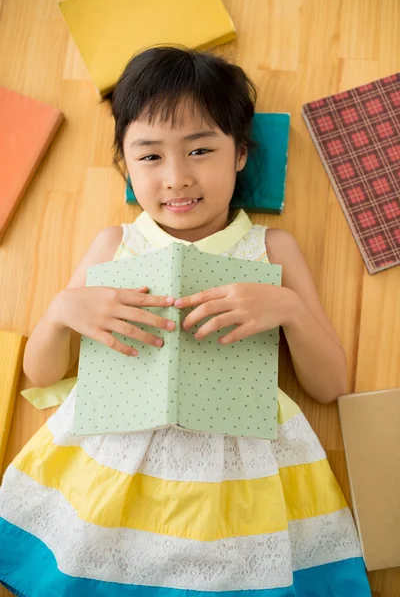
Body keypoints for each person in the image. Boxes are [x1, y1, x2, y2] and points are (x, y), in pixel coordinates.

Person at [0, 46, 371, 596]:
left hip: (239, 465)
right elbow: (40, 373)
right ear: (125, 164)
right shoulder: (114, 243)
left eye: (200, 149)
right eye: (150, 157)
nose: (177, 177)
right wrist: (60, 314)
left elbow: (331, 385)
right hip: (109, 454)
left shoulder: (272, 248)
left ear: (241, 154)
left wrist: (289, 310)